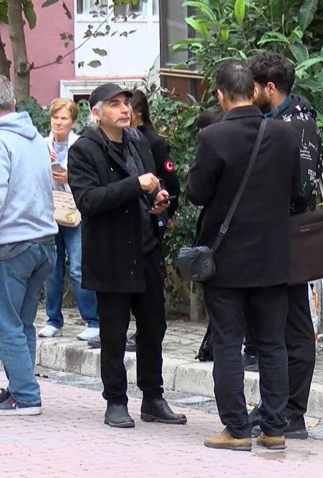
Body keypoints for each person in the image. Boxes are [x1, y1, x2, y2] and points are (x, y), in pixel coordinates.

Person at [186, 60, 299, 451]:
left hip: (227, 261)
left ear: (220, 95)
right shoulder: (285, 136)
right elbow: (298, 191)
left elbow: (197, 194)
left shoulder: (213, 137)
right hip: (273, 258)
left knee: (228, 344)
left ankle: (236, 429)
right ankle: (274, 428)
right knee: (272, 345)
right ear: (254, 91)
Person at [67, 83, 186, 429]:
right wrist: (137, 185)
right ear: (96, 112)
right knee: (114, 334)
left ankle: (153, 397)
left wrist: (158, 202)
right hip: (110, 255)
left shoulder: (139, 141)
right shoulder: (84, 150)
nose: (124, 109)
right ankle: (115, 401)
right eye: (114, 104)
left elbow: (150, 191)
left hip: (145, 249)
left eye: (126, 103)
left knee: (153, 329)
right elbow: (88, 201)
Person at [0, 75, 58, 416]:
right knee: (22, 325)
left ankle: (25, 395)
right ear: (14, 104)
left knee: (4, 326)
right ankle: (18, 387)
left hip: (8, 245)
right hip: (44, 241)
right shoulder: (35, 139)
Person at [247, 51, 323, 440]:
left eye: (254, 87)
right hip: (287, 234)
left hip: (288, 235)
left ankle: (291, 412)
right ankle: (281, 408)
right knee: (286, 324)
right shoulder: (298, 118)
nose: (250, 93)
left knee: (292, 325)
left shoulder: (290, 126)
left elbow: (298, 187)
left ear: (269, 88)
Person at [38, 98, 100, 341]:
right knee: (51, 269)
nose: (58, 122)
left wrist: (69, 177)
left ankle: (93, 320)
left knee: (77, 267)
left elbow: (90, 178)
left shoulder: (81, 146)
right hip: (49, 213)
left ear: (73, 122)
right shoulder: (41, 145)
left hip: (74, 213)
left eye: (64, 118)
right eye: (55, 117)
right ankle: (53, 320)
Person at [130, 89, 181, 230]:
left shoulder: (153, 141)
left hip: (151, 211)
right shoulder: (125, 137)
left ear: (138, 112)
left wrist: (168, 211)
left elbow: (170, 180)